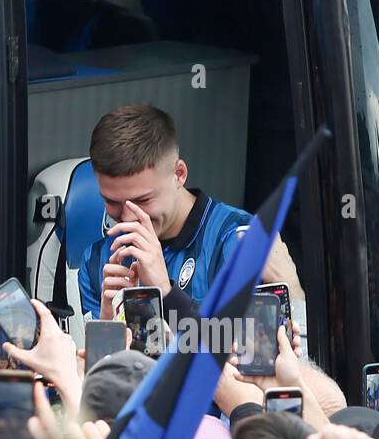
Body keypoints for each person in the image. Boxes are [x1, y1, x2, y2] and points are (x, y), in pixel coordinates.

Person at [76, 104, 252, 322]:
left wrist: (166, 293)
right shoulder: (97, 261)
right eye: (112, 202)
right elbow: (99, 356)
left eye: (142, 200)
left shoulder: (236, 239)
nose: (129, 217)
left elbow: (247, 348)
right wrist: (107, 325)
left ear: (179, 174)